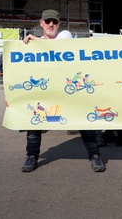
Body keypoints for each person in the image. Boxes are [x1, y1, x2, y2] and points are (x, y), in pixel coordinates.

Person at [19, 9, 106, 173]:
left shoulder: (65, 36)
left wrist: (37, 40)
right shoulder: (28, 46)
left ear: (59, 24)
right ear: (41, 23)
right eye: (47, 21)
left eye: (54, 21)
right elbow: (18, 71)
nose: (51, 24)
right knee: (33, 124)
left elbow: (57, 49)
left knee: (84, 123)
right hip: (44, 92)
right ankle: (31, 157)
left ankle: (95, 156)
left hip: (70, 93)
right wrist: (10, 94)